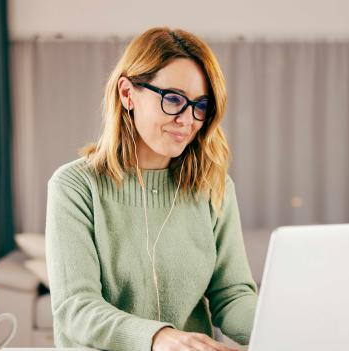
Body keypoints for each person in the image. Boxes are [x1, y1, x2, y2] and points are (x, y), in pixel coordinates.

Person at [45, 27, 258, 351]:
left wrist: (288, 325)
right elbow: (77, 307)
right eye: (173, 99)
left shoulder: (213, 186)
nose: (188, 120)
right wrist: (158, 338)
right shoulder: (75, 187)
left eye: (200, 105)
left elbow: (232, 296)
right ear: (128, 94)